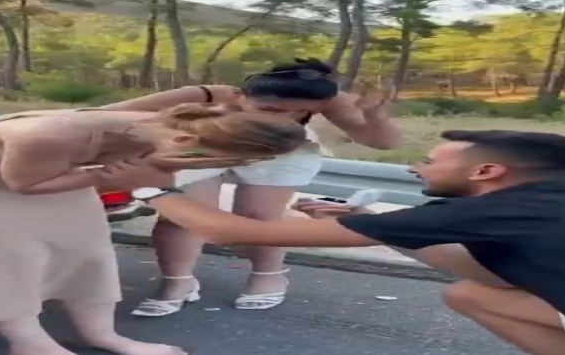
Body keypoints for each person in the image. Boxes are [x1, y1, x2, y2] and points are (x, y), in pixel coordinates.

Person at [132, 130, 565, 355]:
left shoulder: (491, 211)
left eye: (428, 161)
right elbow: (486, 274)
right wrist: (374, 224)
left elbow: (231, 232)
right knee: (472, 294)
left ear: (486, 171)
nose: (414, 168)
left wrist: (148, 186)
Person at [0, 104, 307, 355]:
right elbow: (26, 185)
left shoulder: (179, 122)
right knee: (5, 259)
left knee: (85, 251)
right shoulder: (49, 135)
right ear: (184, 140)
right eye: (207, 161)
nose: (202, 169)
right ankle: (31, 343)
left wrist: (126, 173)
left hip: (60, 171)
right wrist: (116, 176)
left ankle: (102, 335)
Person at [98, 57, 401, 315]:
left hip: (282, 148)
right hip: (204, 144)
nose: (284, 118)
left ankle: (268, 275)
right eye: (270, 110)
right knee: (182, 214)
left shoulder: (326, 97)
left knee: (259, 216)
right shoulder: (206, 96)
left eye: (297, 113)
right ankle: (177, 281)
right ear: (238, 96)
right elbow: (106, 114)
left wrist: (373, 114)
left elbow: (383, 143)